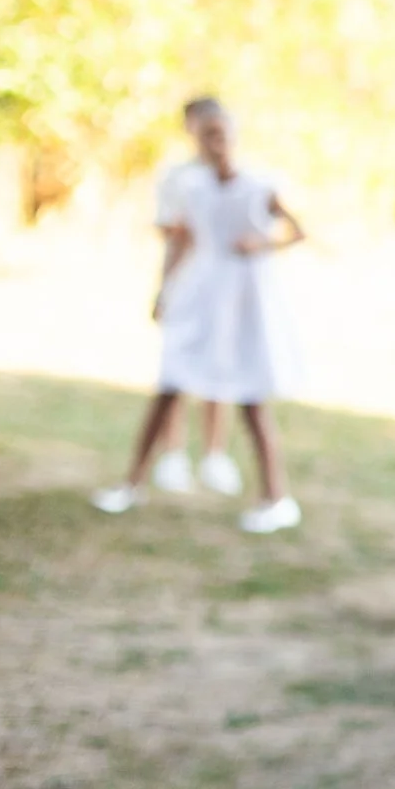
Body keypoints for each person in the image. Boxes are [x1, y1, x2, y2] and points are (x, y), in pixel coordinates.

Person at [94, 99, 307, 533]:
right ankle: (132, 482)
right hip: (201, 293)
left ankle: (276, 496)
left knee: (250, 398)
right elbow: (181, 241)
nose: (216, 143)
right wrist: (163, 291)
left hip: (245, 298)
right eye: (207, 135)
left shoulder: (260, 184)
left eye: (221, 133)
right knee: (171, 382)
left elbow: (298, 232)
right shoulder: (191, 186)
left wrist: (261, 246)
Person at [147, 99, 236, 499]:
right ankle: (173, 454)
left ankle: (215, 455)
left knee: (221, 368)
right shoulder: (176, 177)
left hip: (227, 288)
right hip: (188, 283)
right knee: (176, 369)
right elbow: (173, 240)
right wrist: (163, 289)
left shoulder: (241, 175)